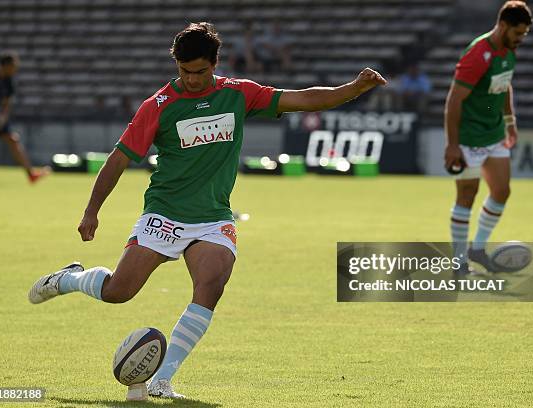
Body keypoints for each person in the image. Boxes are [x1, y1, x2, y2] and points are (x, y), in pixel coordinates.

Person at [28, 22, 386, 399]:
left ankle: (161, 381)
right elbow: (118, 160)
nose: (192, 79)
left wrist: (353, 89)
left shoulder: (239, 94)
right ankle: (69, 279)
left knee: (212, 284)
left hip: (213, 218)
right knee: (119, 291)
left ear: (215, 63)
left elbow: (305, 99)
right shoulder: (159, 106)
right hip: (164, 214)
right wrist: (92, 211)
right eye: (185, 71)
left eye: (200, 71)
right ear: (177, 65)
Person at [444, 1, 533, 275]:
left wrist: (510, 122)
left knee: (501, 191)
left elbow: (504, 85)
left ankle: (478, 249)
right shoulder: (478, 54)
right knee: (467, 196)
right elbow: (454, 100)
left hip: (494, 133)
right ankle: (459, 263)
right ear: (503, 25)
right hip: (469, 136)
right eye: (518, 33)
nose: (521, 39)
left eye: (524, 34)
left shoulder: (508, 51)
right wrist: (452, 144)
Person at [0, 52, 48, 182]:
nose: (16, 69)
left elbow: (6, 103)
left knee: (12, 139)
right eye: (14, 66)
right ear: (5, 65)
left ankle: (31, 174)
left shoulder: (8, 81)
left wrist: (2, 119)